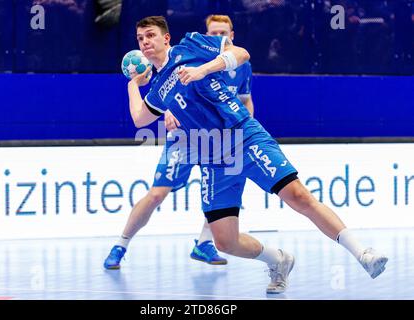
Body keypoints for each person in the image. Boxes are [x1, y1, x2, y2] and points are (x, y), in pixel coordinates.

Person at [108, 15, 388, 294]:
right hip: (213, 158)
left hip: (243, 135)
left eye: (150, 36)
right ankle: (278, 260)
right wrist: (133, 84)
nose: (145, 43)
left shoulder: (190, 46)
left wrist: (203, 70)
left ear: (165, 38)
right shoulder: (157, 88)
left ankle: (363, 253)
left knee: (298, 196)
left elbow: (241, 53)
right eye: (140, 39)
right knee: (225, 242)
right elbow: (139, 118)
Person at [104, 14, 256, 270]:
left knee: (226, 196)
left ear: (232, 36)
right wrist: (167, 110)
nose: (219, 37)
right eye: (214, 33)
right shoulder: (194, 54)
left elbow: (245, 101)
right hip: (185, 138)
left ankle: (204, 243)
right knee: (157, 193)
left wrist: (244, 129)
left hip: (221, 140)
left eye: (224, 34)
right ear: (208, 35)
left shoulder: (240, 66)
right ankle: (121, 244)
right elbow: (164, 95)